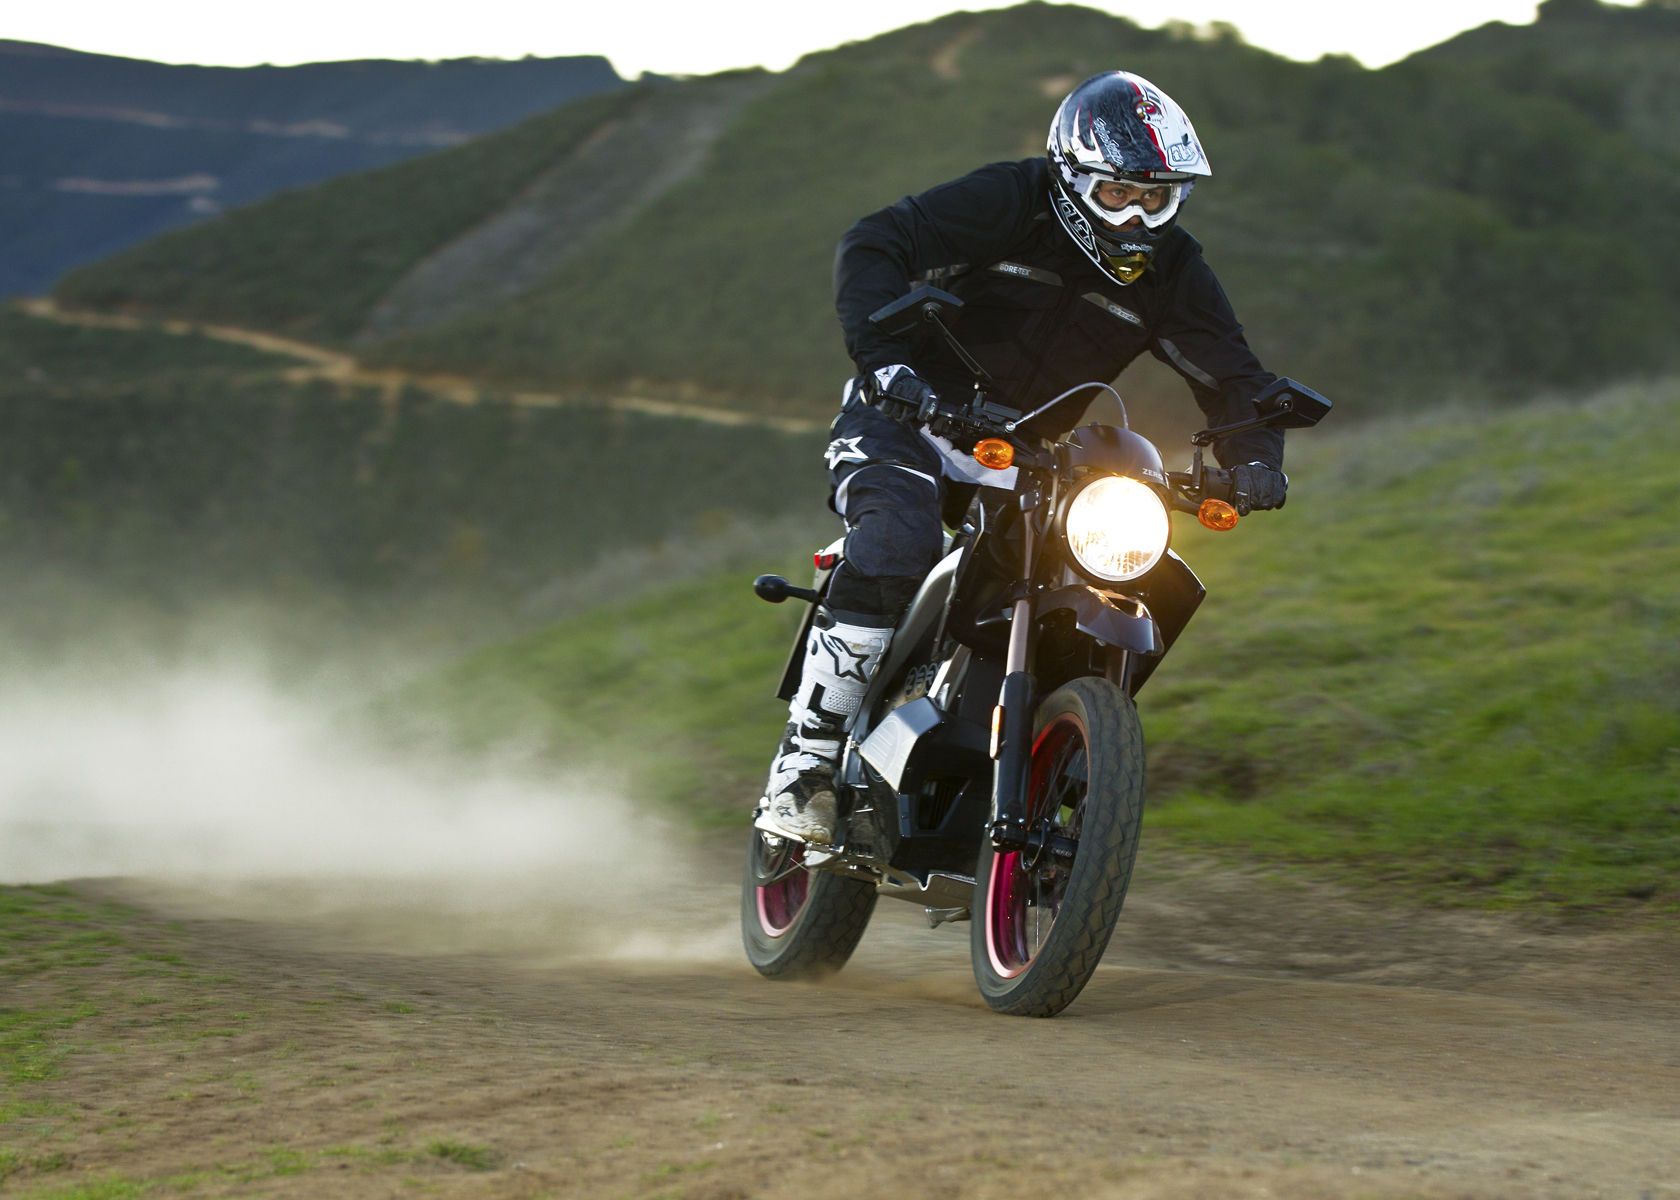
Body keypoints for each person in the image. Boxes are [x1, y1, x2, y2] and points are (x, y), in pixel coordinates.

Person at [759, 71, 1290, 845]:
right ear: (1072, 176)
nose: (1136, 217)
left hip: (1025, 454)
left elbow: (1237, 378)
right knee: (899, 539)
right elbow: (876, 242)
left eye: (1156, 199)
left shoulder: (1173, 271)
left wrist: (1255, 456)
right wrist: (886, 363)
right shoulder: (1010, 200)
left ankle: (1060, 754)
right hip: (908, 415)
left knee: (1151, 575)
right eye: (1118, 194)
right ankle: (805, 764)